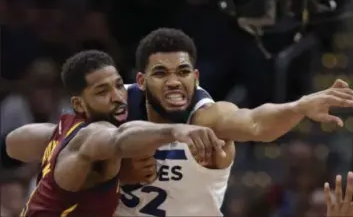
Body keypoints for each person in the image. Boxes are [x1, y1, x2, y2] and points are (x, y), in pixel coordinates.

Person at [116, 28, 353, 217]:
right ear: (141, 80)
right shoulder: (113, 110)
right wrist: (113, 176)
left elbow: (255, 122)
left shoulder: (207, 117)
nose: (173, 82)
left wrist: (298, 106)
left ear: (195, 77)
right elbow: (78, 154)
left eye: (182, 72)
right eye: (160, 73)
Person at [5, 50, 226, 217]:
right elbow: (119, 138)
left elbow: (13, 143)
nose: (118, 97)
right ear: (78, 104)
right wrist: (175, 130)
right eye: (102, 91)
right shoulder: (95, 133)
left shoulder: (65, 129)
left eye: (119, 86)